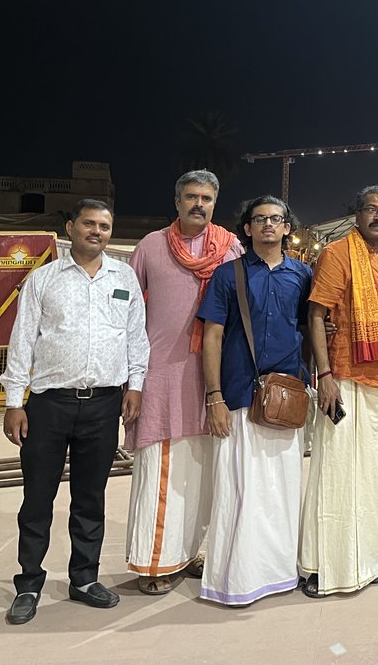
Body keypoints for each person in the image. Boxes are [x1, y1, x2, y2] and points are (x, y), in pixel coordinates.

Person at [0, 199, 149, 625]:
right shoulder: (44, 280)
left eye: (104, 225)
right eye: (89, 224)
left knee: (90, 498)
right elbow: (22, 339)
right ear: (71, 227)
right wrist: (14, 402)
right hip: (49, 405)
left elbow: (136, 338)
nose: (97, 231)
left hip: (104, 404)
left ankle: (84, 579)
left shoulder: (124, 278)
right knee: (37, 499)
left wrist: (134, 386)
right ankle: (29, 583)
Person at [124, 170, 243, 595]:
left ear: (215, 203)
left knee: (206, 473)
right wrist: (131, 379)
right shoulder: (151, 247)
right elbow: (126, 315)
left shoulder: (230, 249)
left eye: (207, 198)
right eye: (191, 196)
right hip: (163, 377)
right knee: (161, 472)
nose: (199, 204)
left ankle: (191, 552)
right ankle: (155, 563)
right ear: (176, 201)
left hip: (214, 380)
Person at [197, 195, 313, 606]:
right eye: (259, 219)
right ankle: (236, 578)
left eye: (276, 219)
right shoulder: (228, 276)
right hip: (239, 395)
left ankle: (280, 573)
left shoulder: (303, 275)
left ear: (286, 227)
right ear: (246, 228)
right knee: (237, 488)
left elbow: (312, 329)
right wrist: (214, 397)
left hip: (286, 397)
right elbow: (212, 336)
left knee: (281, 489)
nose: (268, 225)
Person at [300, 185, 378, 597]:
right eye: (371, 210)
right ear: (357, 214)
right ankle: (324, 565)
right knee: (336, 470)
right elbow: (316, 314)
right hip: (342, 376)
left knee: (371, 473)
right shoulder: (337, 254)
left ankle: (368, 559)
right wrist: (324, 375)